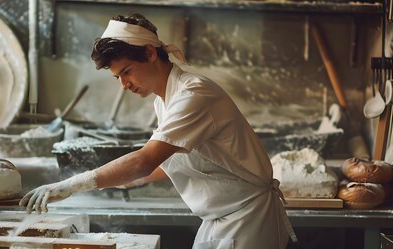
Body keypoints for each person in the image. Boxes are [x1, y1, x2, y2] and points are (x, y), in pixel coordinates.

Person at [19, 13, 296, 249]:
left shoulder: (194, 94)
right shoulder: (163, 101)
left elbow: (145, 159)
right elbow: (176, 160)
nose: (124, 85)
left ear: (151, 53)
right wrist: (127, 180)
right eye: (118, 77)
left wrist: (70, 185)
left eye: (126, 71)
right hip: (221, 219)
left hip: (247, 221)